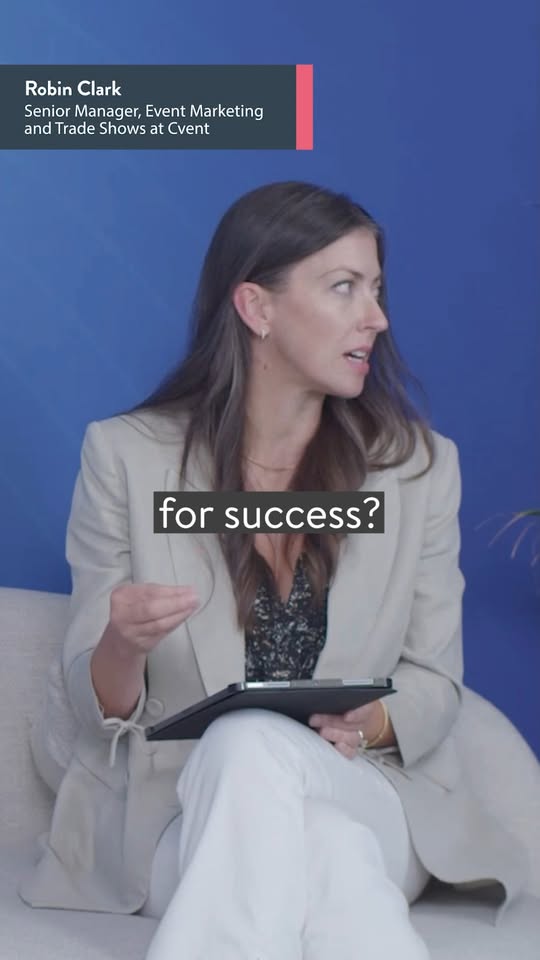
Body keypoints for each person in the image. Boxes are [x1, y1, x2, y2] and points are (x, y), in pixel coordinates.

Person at [20, 181, 528, 959]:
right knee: (327, 851)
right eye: (344, 287)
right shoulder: (127, 458)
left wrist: (371, 720)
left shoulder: (417, 471)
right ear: (256, 307)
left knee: (264, 751)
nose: (376, 318)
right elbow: (101, 714)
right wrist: (121, 643)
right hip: (181, 808)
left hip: (364, 789)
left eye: (378, 289)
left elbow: (433, 678)